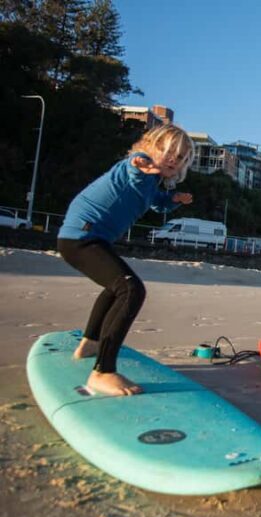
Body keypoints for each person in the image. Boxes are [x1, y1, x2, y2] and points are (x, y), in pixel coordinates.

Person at [57, 124, 194, 396]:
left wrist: (174, 199)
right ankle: (103, 372)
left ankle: (90, 343)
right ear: (150, 146)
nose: (172, 160)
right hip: (81, 238)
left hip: (89, 240)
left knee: (116, 288)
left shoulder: (152, 183)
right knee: (131, 289)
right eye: (168, 152)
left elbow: (157, 202)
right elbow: (134, 167)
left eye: (179, 158)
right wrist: (140, 163)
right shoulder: (135, 166)